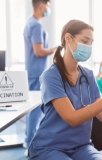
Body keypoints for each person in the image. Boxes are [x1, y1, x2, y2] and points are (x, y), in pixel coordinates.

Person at [28, 19, 102, 160]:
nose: (88, 47)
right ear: (68, 38)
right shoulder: (51, 76)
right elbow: (72, 118)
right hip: (50, 147)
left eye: (91, 43)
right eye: (85, 41)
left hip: (81, 146)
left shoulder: (88, 75)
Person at [23, 0, 56, 151]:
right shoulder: (36, 25)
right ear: (41, 5)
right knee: (35, 111)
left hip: (32, 72)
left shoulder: (29, 22)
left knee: (33, 111)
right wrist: (55, 49)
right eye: (47, 5)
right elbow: (38, 51)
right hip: (37, 73)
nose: (48, 8)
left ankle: (29, 143)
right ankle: (32, 146)